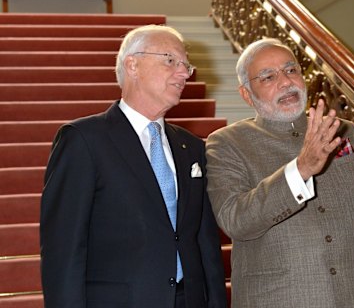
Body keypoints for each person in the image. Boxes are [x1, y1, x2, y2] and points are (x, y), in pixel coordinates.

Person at [204, 38, 354, 308]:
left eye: (291, 70)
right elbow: (236, 220)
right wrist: (301, 169)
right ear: (246, 94)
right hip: (281, 299)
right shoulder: (228, 143)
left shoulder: (344, 131)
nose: (285, 82)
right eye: (268, 77)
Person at [40, 25, 227, 308]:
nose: (184, 73)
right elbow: (63, 251)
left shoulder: (192, 147)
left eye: (186, 65)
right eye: (170, 61)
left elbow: (205, 244)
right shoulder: (84, 141)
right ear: (133, 64)